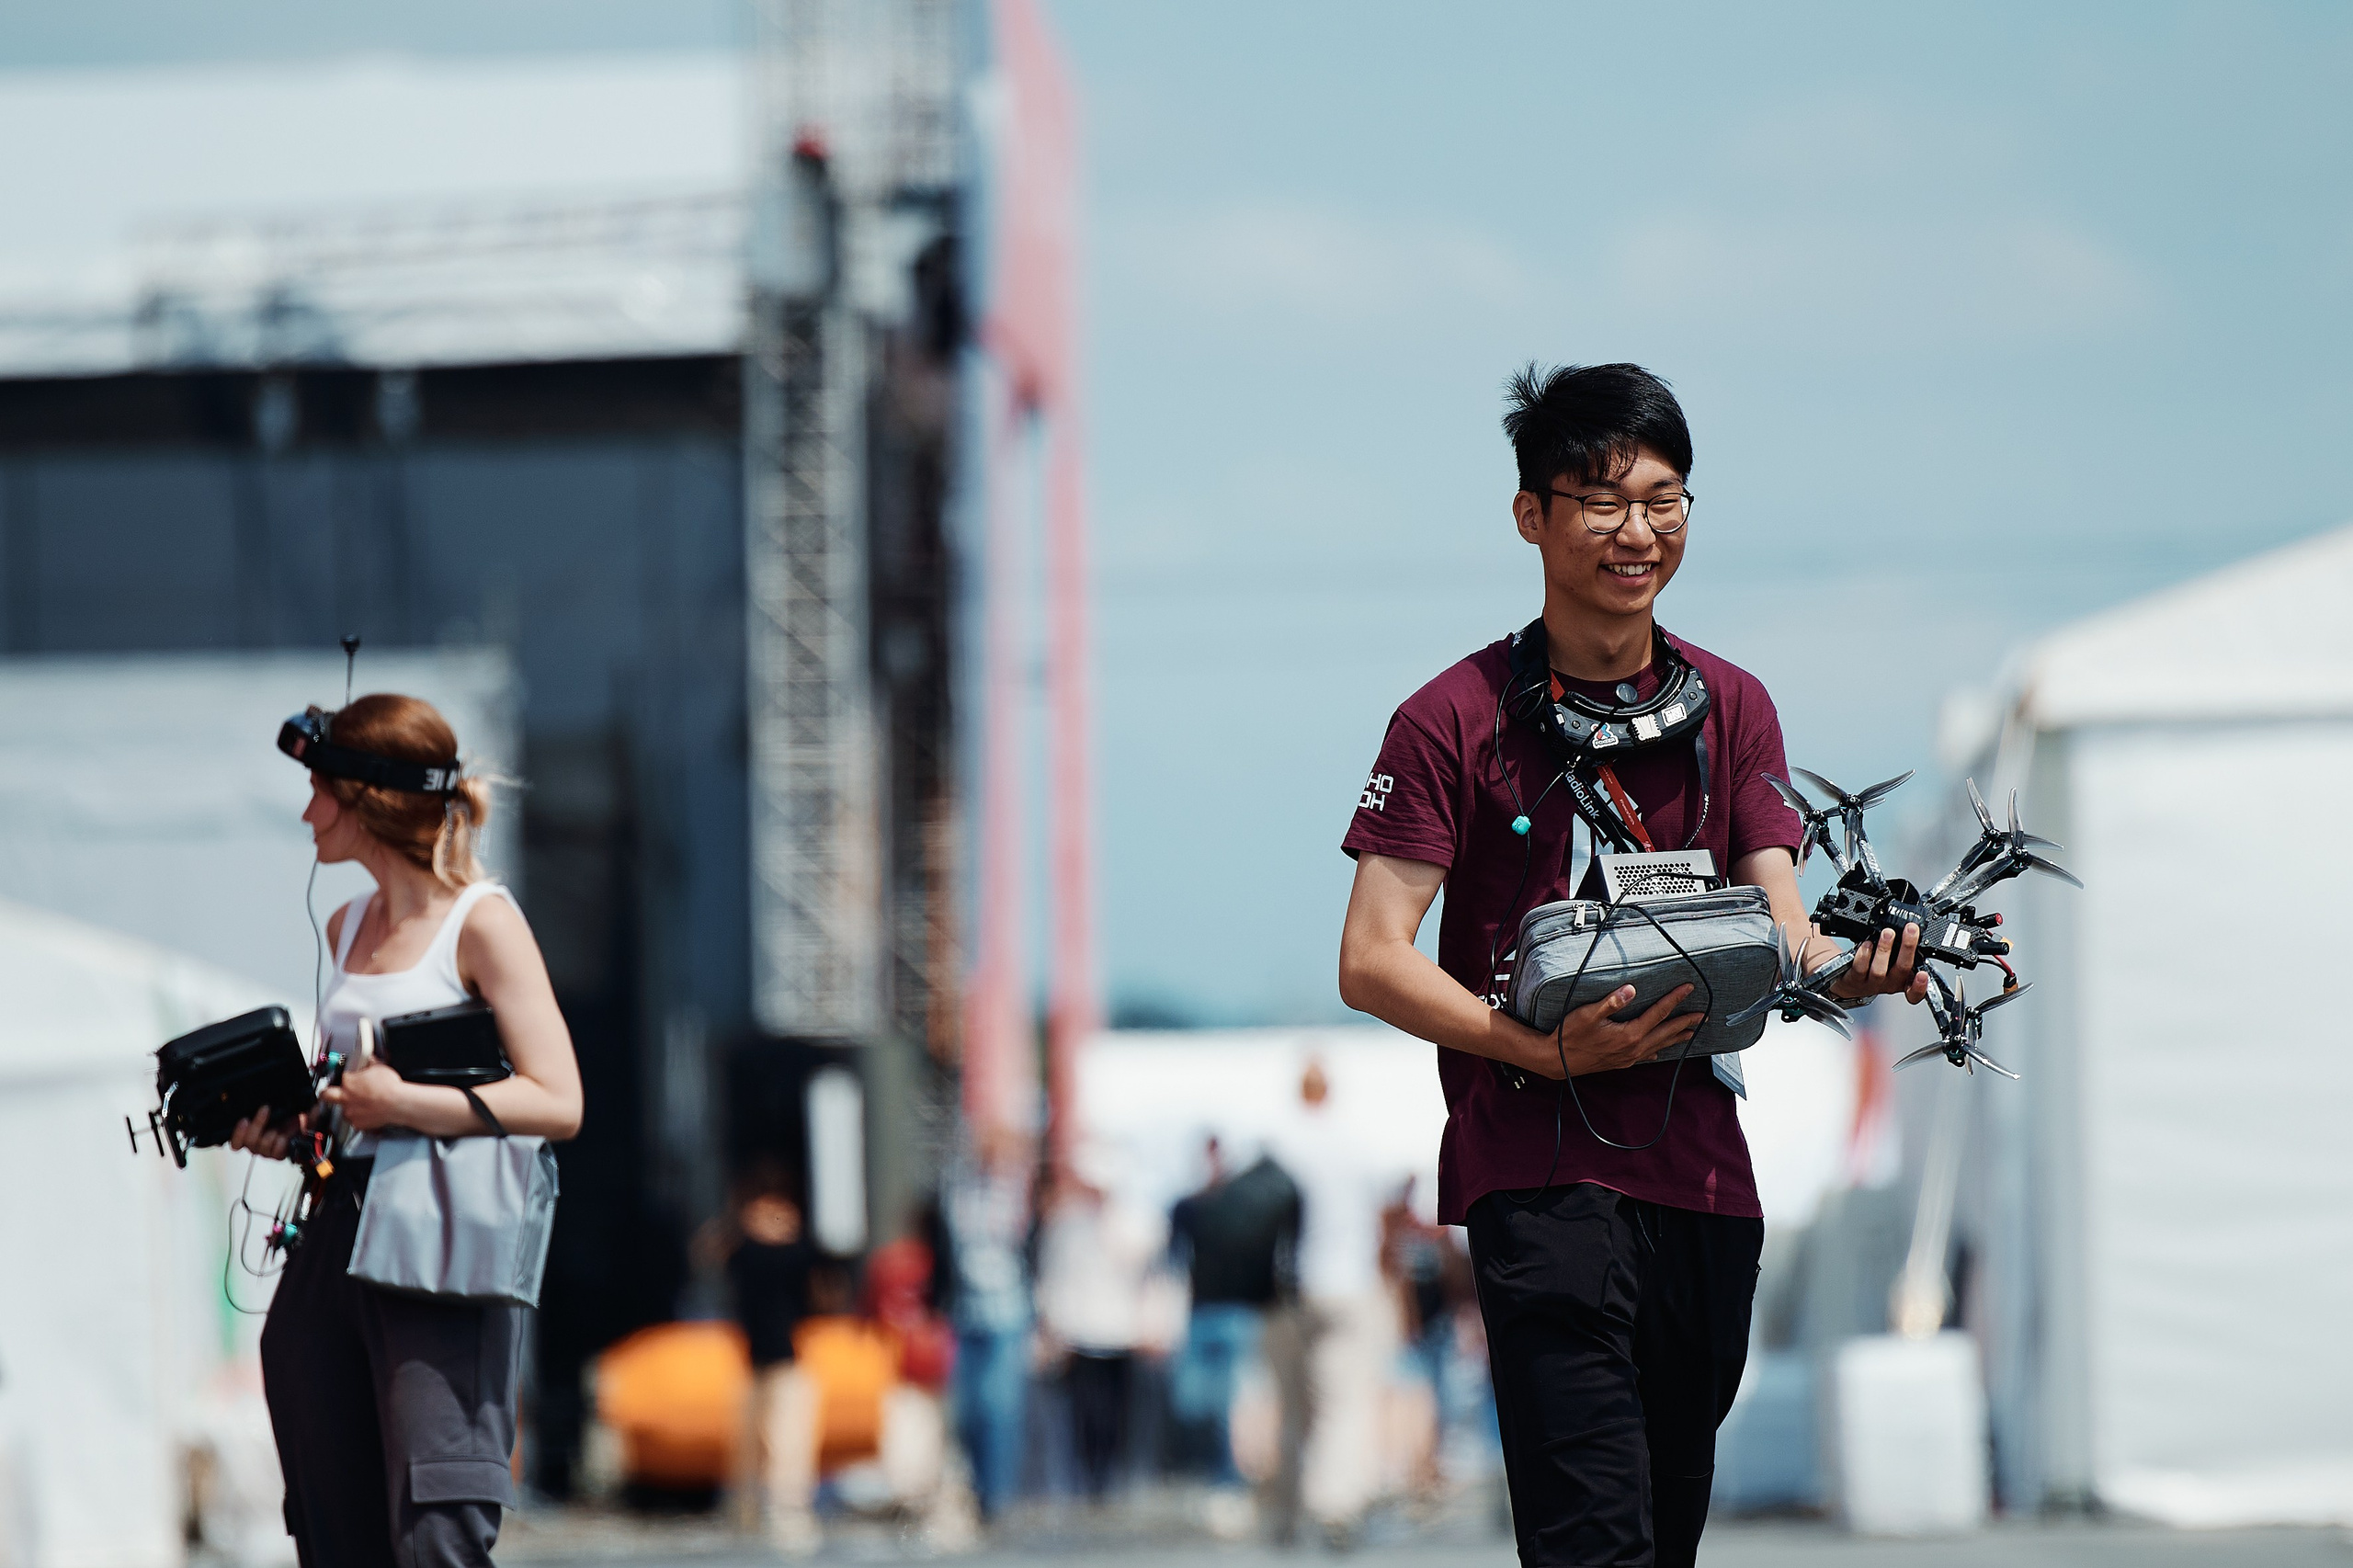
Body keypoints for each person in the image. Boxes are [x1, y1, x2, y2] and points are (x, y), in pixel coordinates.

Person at [1336, 364, 1925, 1568]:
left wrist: (1860, 969)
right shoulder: (1450, 717)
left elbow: (1785, 928)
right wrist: (1533, 1046)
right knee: (1592, 1545)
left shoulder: (1735, 706)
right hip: (1537, 1177)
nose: (1638, 531)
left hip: (1705, 1186)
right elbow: (1370, 957)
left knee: (1659, 1542)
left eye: (1664, 500)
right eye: (1601, 501)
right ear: (1530, 515)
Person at [231, 692, 583, 1568]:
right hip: (339, 1218)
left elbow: (559, 1100)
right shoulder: (345, 924)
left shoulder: (482, 921)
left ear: (370, 802)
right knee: (328, 1499)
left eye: (320, 792)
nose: (308, 814)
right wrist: (299, 1124)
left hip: (441, 1233)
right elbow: (353, 1096)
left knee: (436, 1523)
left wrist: (404, 1105)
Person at [1265, 1059, 1399, 1549]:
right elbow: (1385, 1215)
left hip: (1284, 1289)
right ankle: (1334, 1504)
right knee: (1342, 1401)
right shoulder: (1353, 1144)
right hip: (1346, 1282)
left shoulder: (1275, 1145)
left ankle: (1284, 1508)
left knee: (1290, 1403)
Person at [1166, 1136, 1299, 1493]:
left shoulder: (1248, 1207)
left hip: (1239, 1314)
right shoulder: (1191, 1207)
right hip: (1204, 1312)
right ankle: (1212, 1471)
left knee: (1232, 1402)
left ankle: (1228, 1476)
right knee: (1194, 1401)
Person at [718, 1176, 819, 1550]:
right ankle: (752, 1510)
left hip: (782, 1359)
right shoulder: (749, 1253)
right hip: (757, 1361)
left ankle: (782, 1509)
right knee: (755, 1444)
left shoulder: (785, 1255)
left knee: (785, 1442)